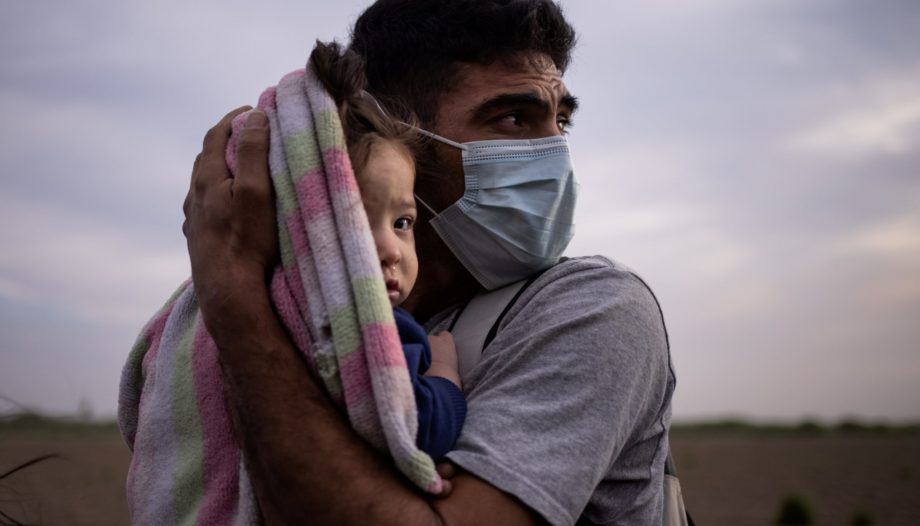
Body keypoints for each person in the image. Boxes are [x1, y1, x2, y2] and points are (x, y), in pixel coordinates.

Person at [183, 1, 676, 524]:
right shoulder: (322, 317)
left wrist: (233, 298)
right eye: (513, 118)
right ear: (399, 137)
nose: (556, 154)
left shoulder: (594, 307)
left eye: (562, 122)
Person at [310, 41, 466, 459]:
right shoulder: (382, 328)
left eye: (402, 223)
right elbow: (423, 428)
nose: (390, 250)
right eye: (356, 223)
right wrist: (444, 373)